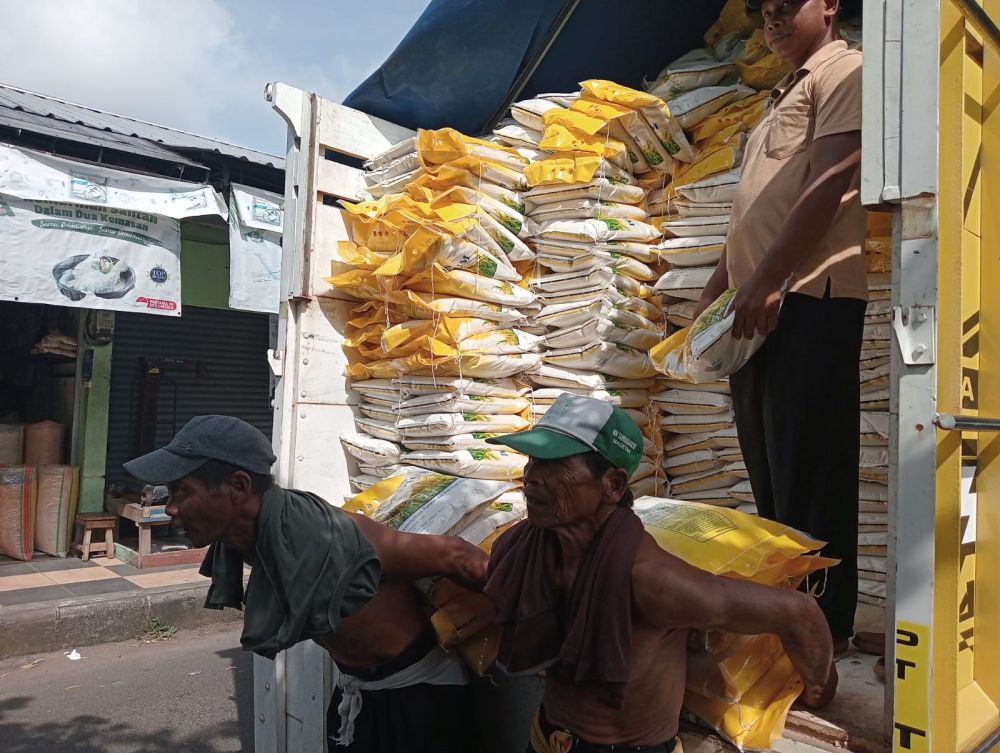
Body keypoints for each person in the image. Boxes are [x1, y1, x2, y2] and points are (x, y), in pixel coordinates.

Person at [483, 394, 834, 752]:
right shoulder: (524, 549)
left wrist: (821, 688)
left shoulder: (650, 580)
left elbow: (799, 613)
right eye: (533, 460)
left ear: (613, 485)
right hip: (545, 739)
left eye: (555, 465)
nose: (531, 477)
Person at [123, 414, 487, 753]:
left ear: (238, 486)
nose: (170, 508)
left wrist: (534, 617)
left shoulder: (326, 536)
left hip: (420, 702)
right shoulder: (248, 536)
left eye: (181, 492)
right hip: (361, 692)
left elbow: (454, 556)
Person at [694, 0, 865, 654]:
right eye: (763, 10)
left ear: (827, 5)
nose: (770, 20)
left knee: (811, 476)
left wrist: (767, 280)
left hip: (808, 299)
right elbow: (759, 205)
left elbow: (832, 178)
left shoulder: (843, 70)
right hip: (760, 301)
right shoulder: (781, 92)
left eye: (785, 7)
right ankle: (793, 626)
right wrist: (722, 283)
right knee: (772, 478)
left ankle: (829, 634)